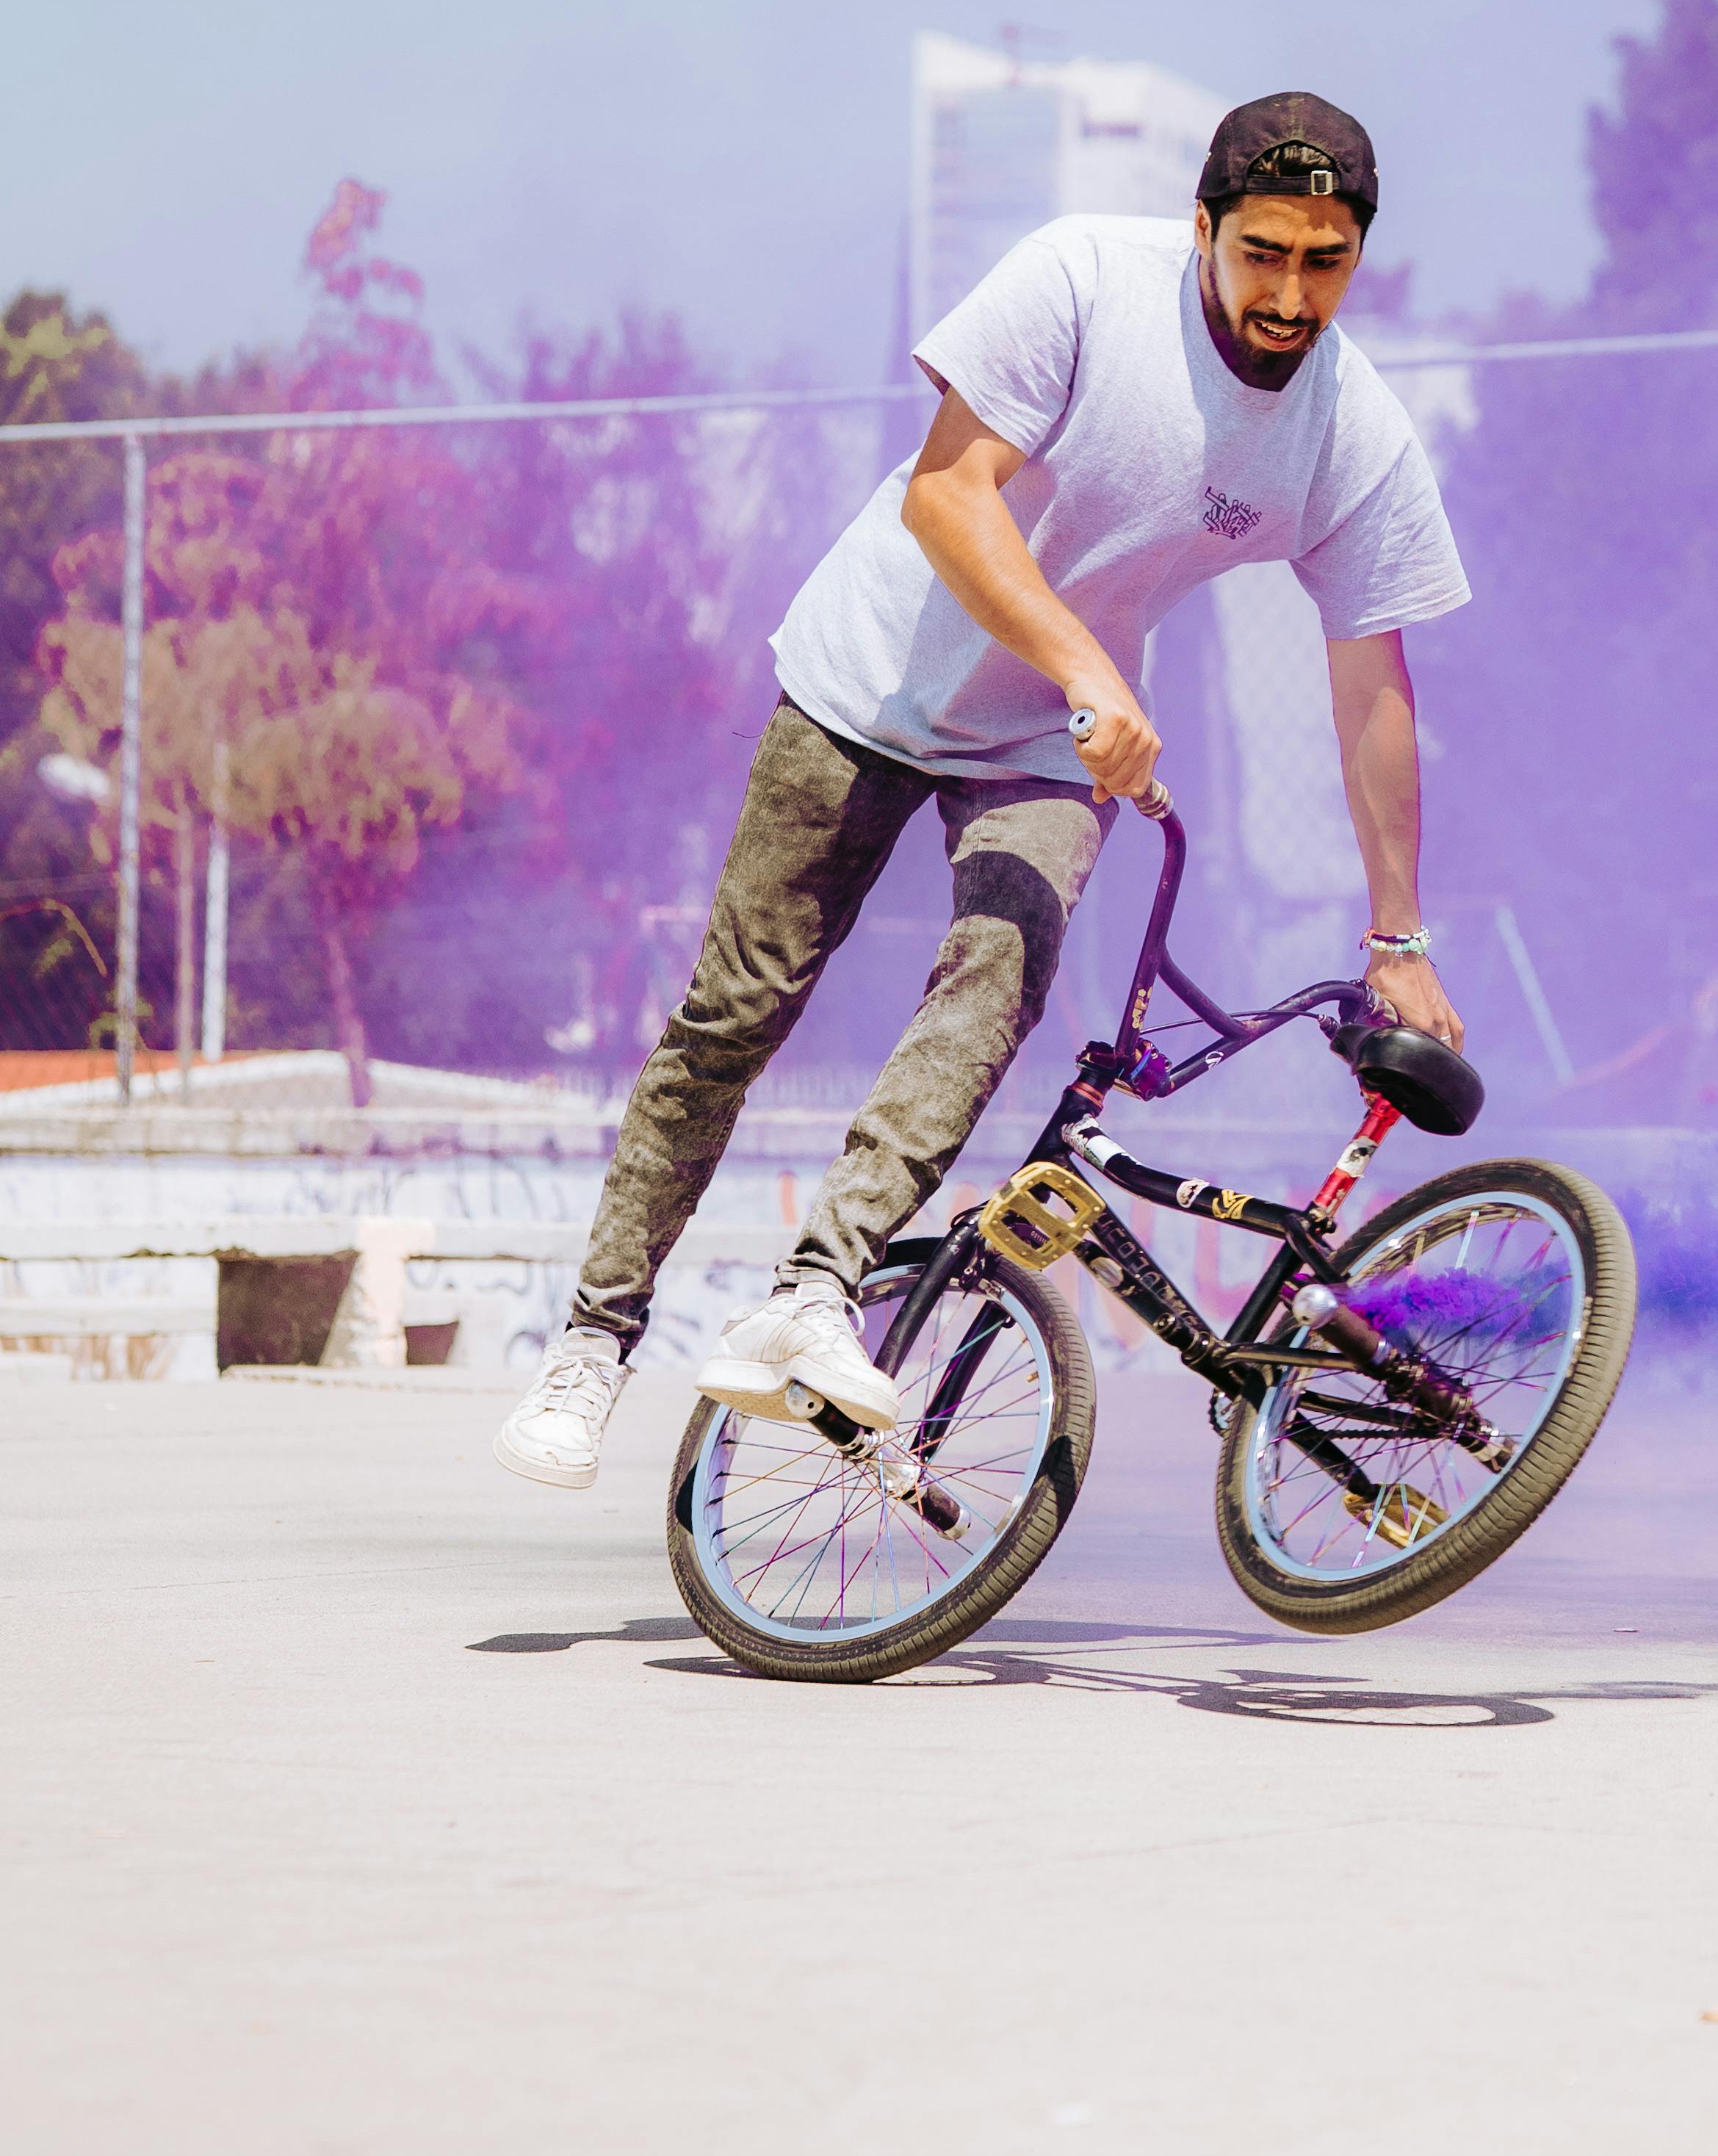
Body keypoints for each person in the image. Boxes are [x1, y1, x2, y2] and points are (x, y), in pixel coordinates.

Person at [494, 91, 1471, 1493]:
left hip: (1040, 742)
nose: (1289, 293)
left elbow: (1374, 683)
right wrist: (1090, 669)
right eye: (1262, 252)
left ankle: (813, 1297)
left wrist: (1397, 938)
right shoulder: (1081, 275)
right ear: (1200, 228)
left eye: (1324, 262)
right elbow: (950, 495)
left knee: (1003, 972)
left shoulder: (1350, 433)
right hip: (864, 685)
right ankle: (594, 1342)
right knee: (736, 1011)